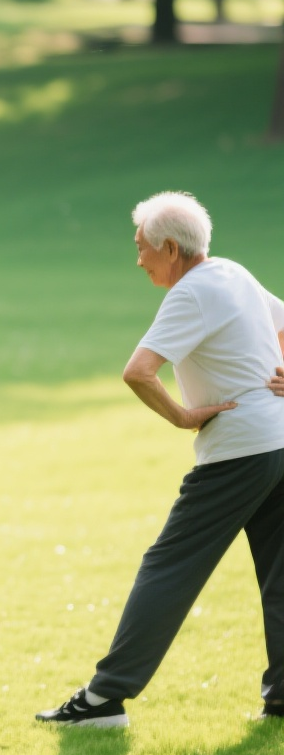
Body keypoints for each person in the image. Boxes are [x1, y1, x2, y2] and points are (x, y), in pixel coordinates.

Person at [38, 191, 284, 727]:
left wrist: (181, 416)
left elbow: (138, 370)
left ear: (170, 248)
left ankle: (104, 699)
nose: (139, 260)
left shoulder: (191, 293)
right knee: (279, 572)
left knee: (168, 567)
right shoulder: (232, 273)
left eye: (143, 248)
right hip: (280, 444)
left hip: (239, 450)